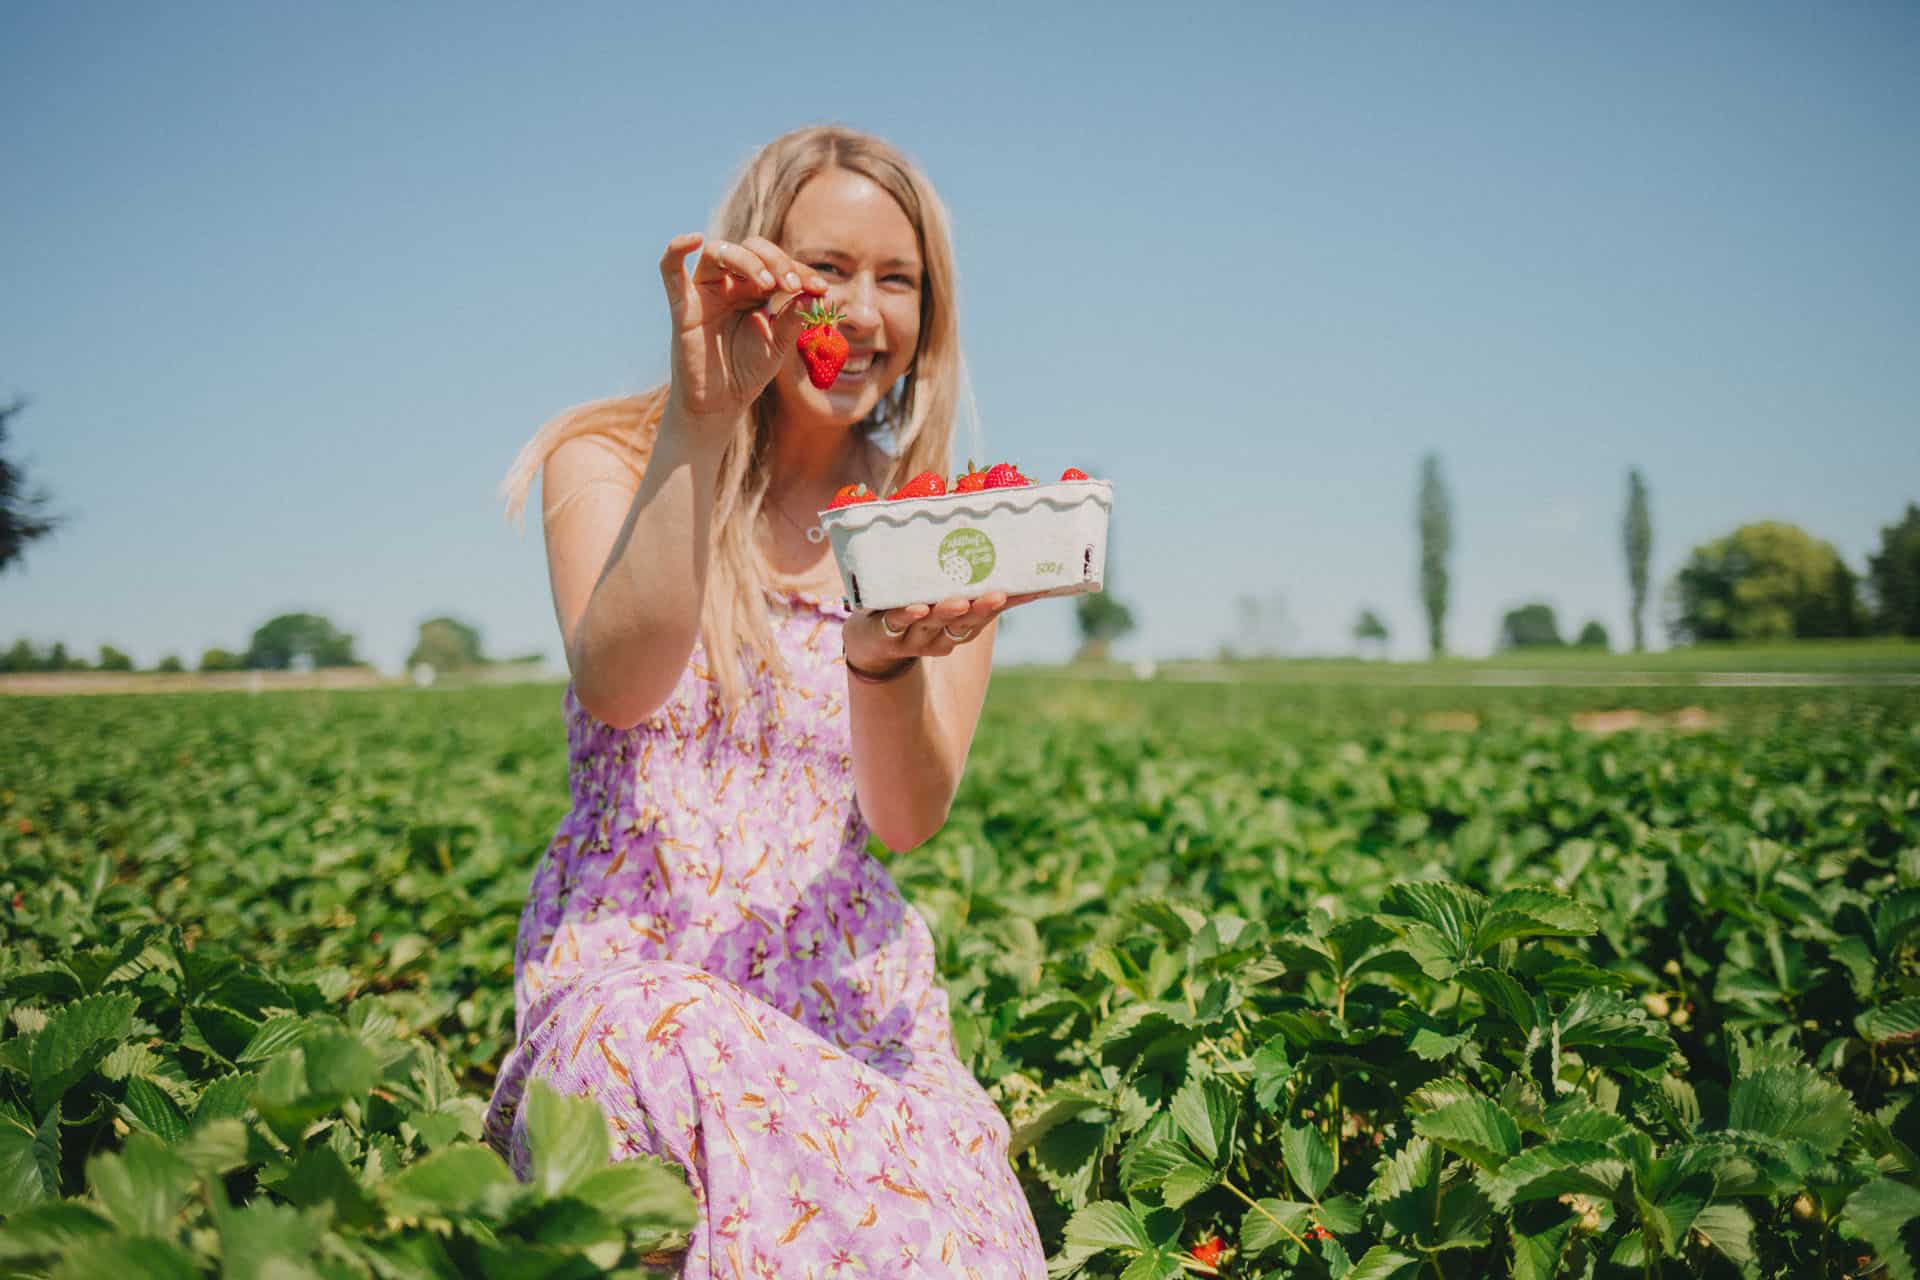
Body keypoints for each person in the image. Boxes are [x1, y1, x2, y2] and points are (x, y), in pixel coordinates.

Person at [486, 125, 1049, 1278]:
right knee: (662, 1044)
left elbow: (904, 816)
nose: (863, 309)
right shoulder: (611, 456)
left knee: (960, 1236)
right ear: (762, 274)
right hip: (632, 984)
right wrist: (702, 417)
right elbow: (621, 680)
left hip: (853, 1005)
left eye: (899, 279)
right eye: (828, 269)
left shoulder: (939, 523)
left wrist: (881, 658)